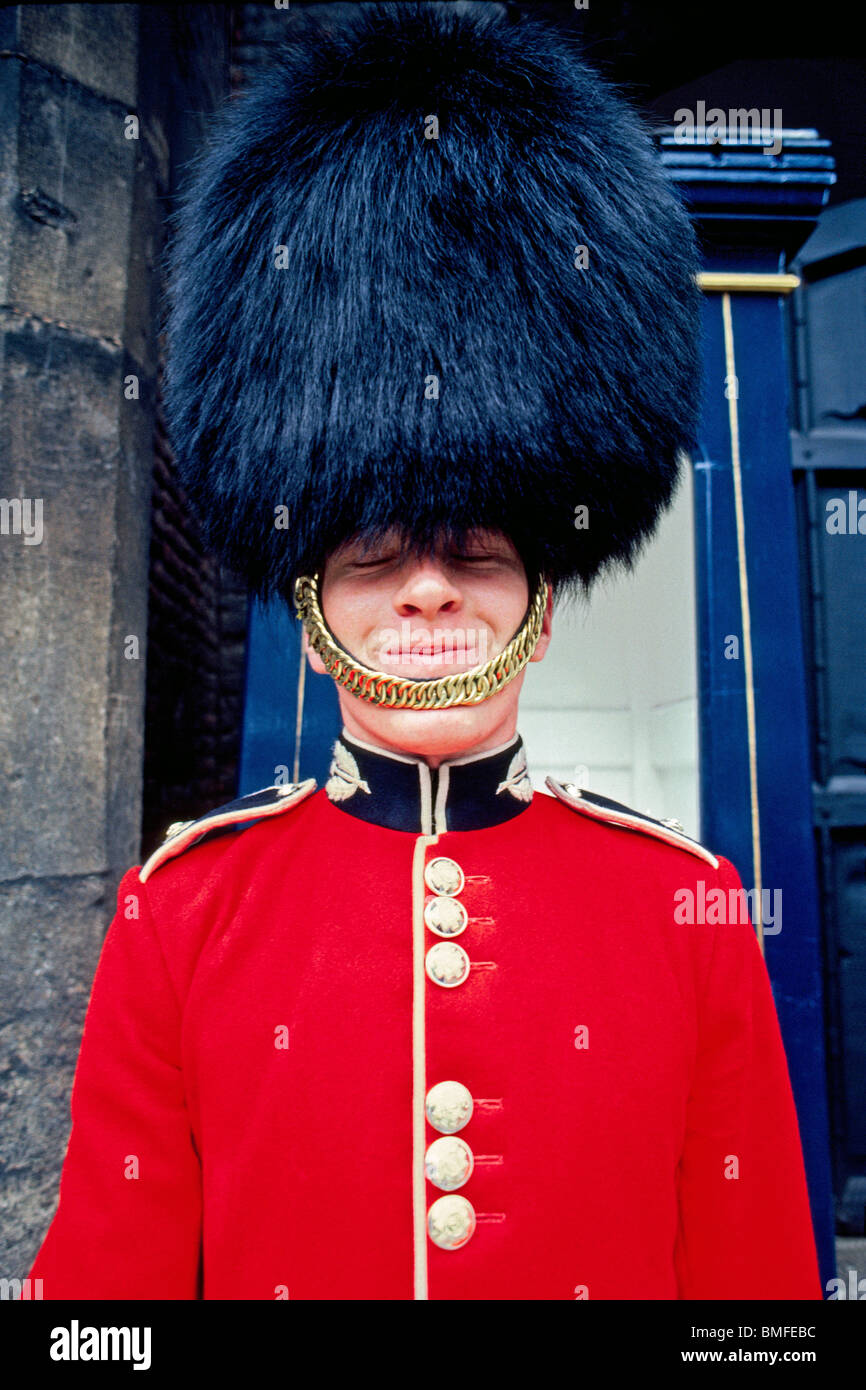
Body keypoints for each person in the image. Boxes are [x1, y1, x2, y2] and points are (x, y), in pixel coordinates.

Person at [28, 1, 822, 1299]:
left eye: (478, 553)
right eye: (375, 556)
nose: (430, 593)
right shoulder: (182, 917)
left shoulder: (688, 915)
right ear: (310, 597)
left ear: (543, 599)